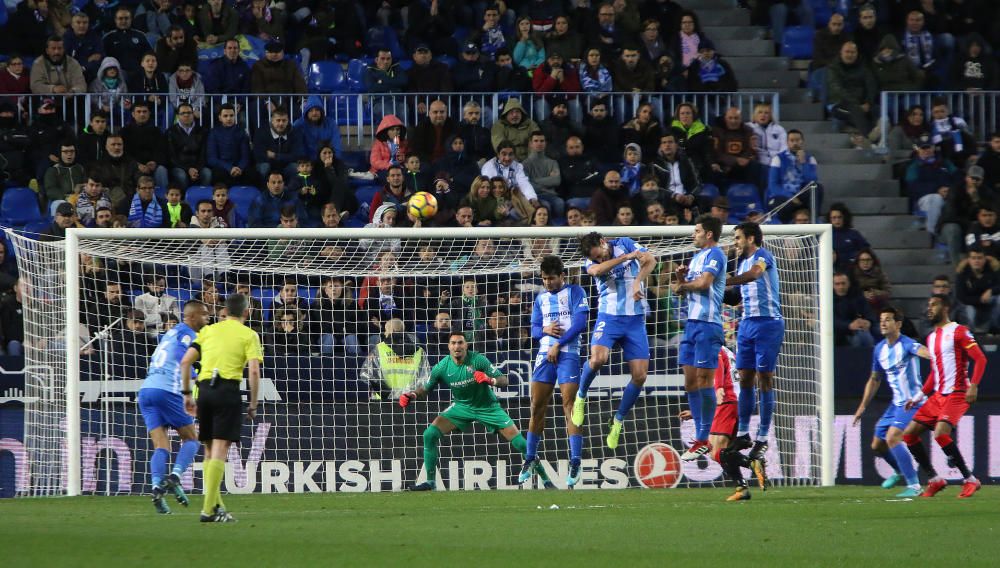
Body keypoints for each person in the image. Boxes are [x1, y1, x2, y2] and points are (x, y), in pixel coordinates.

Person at [401, 332, 554, 491]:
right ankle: (431, 482)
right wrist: (412, 394)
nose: (457, 346)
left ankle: (546, 481)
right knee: (429, 434)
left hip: (488, 407)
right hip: (462, 407)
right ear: (448, 347)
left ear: (466, 345)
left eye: (460, 342)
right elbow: (426, 389)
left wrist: (490, 380)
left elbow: (504, 380)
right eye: (453, 343)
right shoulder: (442, 367)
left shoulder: (478, 360)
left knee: (522, 443)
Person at [180, 293, 263, 522]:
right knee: (219, 449)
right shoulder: (249, 335)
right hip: (227, 391)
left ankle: (216, 506)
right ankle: (207, 510)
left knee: (208, 450)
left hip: (204, 391)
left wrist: (187, 394)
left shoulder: (209, 331)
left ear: (224, 312)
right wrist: (253, 404)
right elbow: (254, 371)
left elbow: (186, 361)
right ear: (247, 312)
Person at [572, 231, 656, 449]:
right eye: (595, 257)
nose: (598, 259)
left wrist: (638, 281)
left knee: (640, 376)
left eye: (599, 254)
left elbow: (650, 260)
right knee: (598, 359)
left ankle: (617, 420)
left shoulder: (626, 242)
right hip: (609, 317)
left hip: (635, 320)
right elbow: (597, 270)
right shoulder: (594, 260)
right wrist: (626, 258)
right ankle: (580, 397)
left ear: (603, 242)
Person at [902, 294, 986, 499]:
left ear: (945, 307)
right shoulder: (931, 338)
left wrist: (973, 386)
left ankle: (970, 479)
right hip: (938, 395)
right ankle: (934, 479)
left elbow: (980, 359)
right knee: (909, 434)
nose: (929, 309)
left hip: (956, 393)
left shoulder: (959, 332)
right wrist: (919, 395)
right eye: (928, 305)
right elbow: (935, 373)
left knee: (940, 433)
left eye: (934, 305)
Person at [518, 255, 588, 487]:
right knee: (537, 406)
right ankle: (529, 458)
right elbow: (535, 331)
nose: (548, 283)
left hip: (568, 354)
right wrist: (546, 330)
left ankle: (575, 461)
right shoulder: (541, 299)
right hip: (544, 356)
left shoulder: (576, 292)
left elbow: (580, 323)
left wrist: (559, 342)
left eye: (552, 278)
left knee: (570, 405)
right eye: (545, 279)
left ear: (562, 276)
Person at [852, 307, 931, 498]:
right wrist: (862, 406)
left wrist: (935, 354)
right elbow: (874, 379)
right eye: (881, 320)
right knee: (877, 445)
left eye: (888, 319)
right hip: (896, 404)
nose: (883, 323)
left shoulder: (906, 344)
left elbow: (923, 351)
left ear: (898, 324)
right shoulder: (879, 349)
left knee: (893, 437)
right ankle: (899, 471)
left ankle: (914, 486)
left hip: (912, 403)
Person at [138, 300, 210, 514]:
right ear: (192, 316)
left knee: (161, 445)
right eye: (204, 315)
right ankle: (175, 476)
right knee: (191, 438)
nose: (208, 318)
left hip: (147, 390)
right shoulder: (189, 334)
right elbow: (182, 360)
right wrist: (196, 377)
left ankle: (156, 488)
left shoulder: (169, 334)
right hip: (167, 390)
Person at [725, 221, 784, 473]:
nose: (735, 242)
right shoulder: (741, 264)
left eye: (738, 238)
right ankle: (743, 433)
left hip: (768, 324)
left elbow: (755, 275)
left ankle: (761, 439)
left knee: (764, 378)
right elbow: (736, 296)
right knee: (745, 378)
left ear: (750, 238)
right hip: (747, 324)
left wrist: (725, 279)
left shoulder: (762, 256)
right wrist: (710, 289)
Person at [669, 215, 726, 461]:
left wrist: (686, 284)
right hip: (691, 324)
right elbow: (684, 291)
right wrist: (682, 280)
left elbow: (703, 284)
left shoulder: (716, 255)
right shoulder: (696, 258)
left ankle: (703, 439)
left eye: (697, 231)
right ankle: (700, 438)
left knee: (704, 380)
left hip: (708, 324)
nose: (694, 234)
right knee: (690, 382)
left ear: (709, 234)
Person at [678, 345, 755, 501]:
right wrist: (696, 413)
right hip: (736, 402)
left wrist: (719, 388)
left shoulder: (713, 349)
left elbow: (719, 382)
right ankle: (742, 488)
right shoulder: (725, 350)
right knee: (722, 451)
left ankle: (753, 465)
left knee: (715, 451)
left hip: (727, 402)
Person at [833, 271, 876, 347]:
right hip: (840, 330)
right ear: (833, 285)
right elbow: (831, 321)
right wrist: (849, 325)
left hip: (859, 327)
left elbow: (868, 311)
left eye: (843, 283)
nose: (841, 287)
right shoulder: (828, 299)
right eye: (837, 284)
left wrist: (869, 321)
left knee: (869, 334)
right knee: (858, 338)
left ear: (848, 283)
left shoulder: (857, 294)